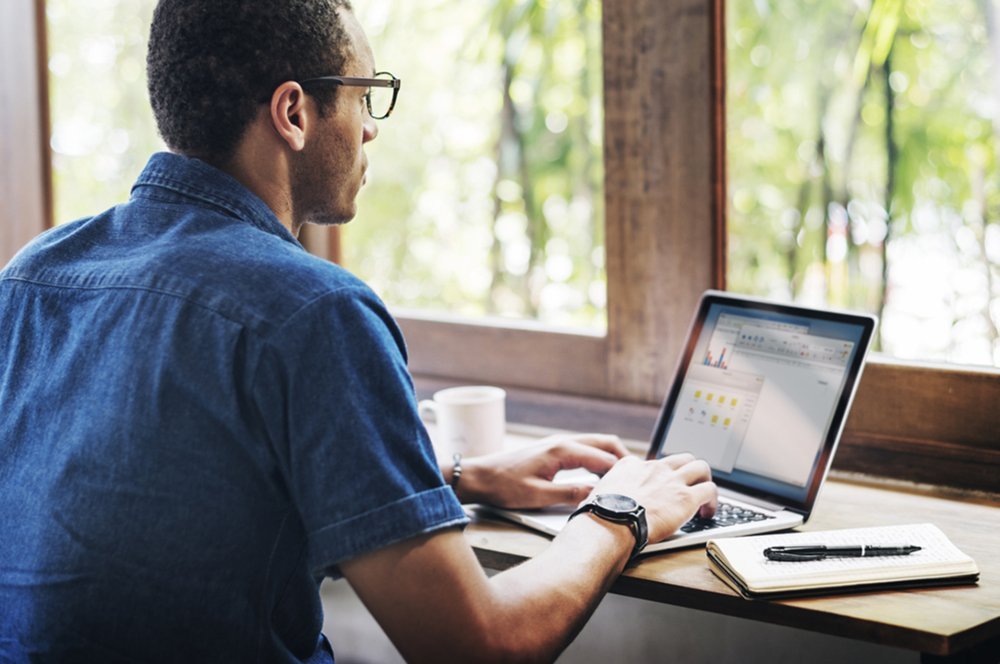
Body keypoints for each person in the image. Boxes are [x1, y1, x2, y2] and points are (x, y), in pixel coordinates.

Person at [0, 1, 718, 661]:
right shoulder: (313, 311)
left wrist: (456, 478)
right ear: (293, 112)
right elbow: (481, 646)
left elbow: (167, 503)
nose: (371, 125)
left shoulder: (32, 275)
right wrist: (624, 511)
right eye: (363, 94)